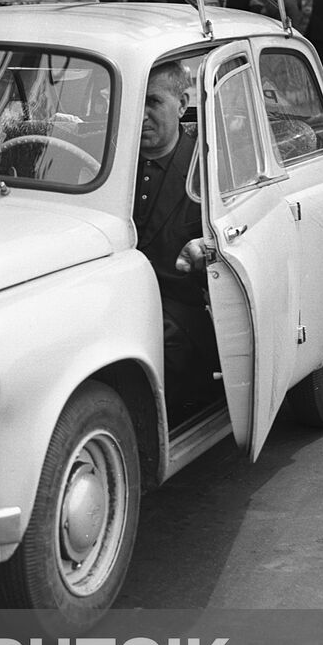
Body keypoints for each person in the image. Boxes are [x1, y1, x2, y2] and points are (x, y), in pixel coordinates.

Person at [133, 61, 219, 420]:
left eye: (153, 102)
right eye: (134, 103)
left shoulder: (209, 165)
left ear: (183, 104)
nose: (141, 115)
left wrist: (207, 247)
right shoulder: (105, 163)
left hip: (181, 309)